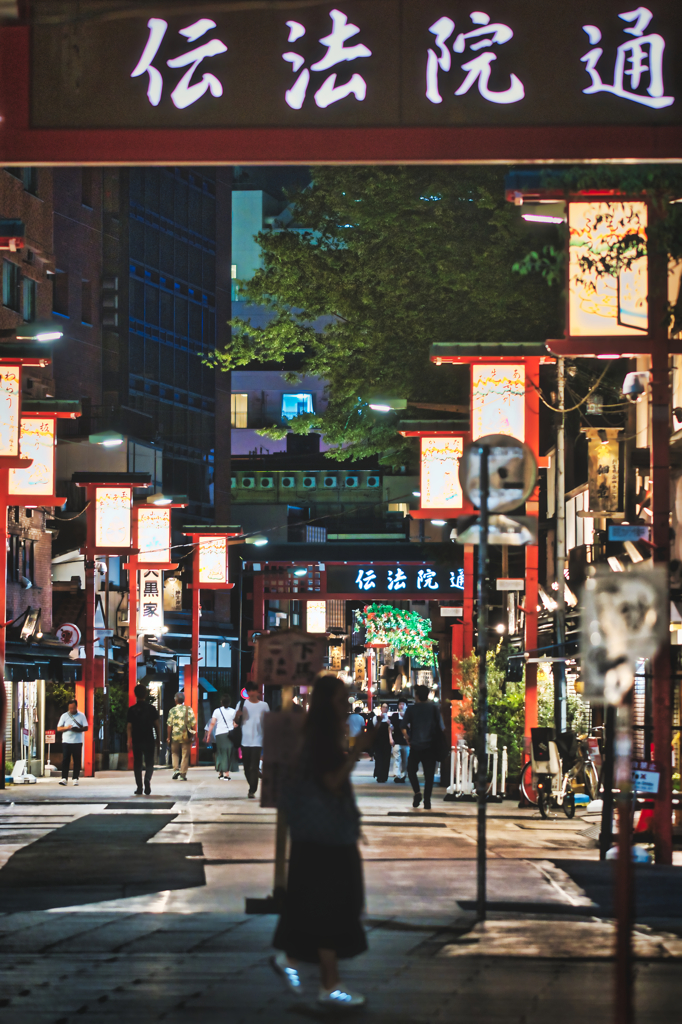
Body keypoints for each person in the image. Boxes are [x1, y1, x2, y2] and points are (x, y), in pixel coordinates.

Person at [271, 672, 373, 1008]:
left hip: (313, 834)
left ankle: (298, 962)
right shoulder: (322, 738)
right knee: (334, 904)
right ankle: (328, 982)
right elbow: (331, 781)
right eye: (342, 699)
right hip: (326, 837)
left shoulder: (312, 735)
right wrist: (356, 753)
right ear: (328, 701)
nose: (346, 705)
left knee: (315, 903)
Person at [402, 685, 445, 810]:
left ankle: (417, 792)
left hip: (415, 746)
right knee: (429, 775)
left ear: (416, 695)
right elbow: (442, 727)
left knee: (411, 771)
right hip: (430, 747)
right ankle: (427, 801)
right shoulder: (434, 709)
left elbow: (403, 726)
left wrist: (407, 738)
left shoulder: (411, 709)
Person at [235, 682, 269, 799]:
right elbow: (235, 722)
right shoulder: (242, 704)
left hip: (258, 739)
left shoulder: (264, 705)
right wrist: (238, 715)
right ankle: (252, 783)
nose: (251, 693)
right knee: (246, 767)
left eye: (253, 690)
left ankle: (252, 789)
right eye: (249, 691)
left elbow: (267, 722)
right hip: (245, 739)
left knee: (253, 766)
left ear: (257, 692)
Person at [126, 684, 160, 796]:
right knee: (150, 762)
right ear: (145, 694)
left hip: (137, 739)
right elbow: (157, 725)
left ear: (135, 694)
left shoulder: (131, 710)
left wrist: (128, 740)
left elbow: (129, 727)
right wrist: (158, 739)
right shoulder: (151, 709)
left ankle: (139, 787)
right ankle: (147, 780)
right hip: (149, 738)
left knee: (137, 763)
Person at [57, 698, 88, 786]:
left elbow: (86, 727)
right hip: (66, 741)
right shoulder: (64, 716)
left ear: (76, 707)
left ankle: (75, 778)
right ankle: (64, 778)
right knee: (65, 760)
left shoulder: (82, 716)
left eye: (73, 708)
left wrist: (78, 730)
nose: (72, 710)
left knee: (77, 760)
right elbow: (59, 728)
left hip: (77, 741)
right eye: (70, 708)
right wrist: (67, 727)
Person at [206, 695, 238, 780]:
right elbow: (235, 724)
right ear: (229, 702)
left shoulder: (217, 711)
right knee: (228, 753)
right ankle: (226, 774)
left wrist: (209, 734)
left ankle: (220, 772)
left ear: (221, 702)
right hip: (229, 734)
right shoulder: (233, 711)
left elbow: (212, 723)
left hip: (219, 734)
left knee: (220, 753)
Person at [166, 690, 196, 781]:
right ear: (183, 700)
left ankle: (175, 770)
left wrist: (168, 737)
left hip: (175, 736)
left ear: (175, 700)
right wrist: (194, 733)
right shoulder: (188, 709)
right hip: (185, 736)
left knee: (174, 753)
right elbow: (193, 723)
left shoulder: (172, 710)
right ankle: (183, 774)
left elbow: (169, 725)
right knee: (185, 755)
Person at [371, 702, 393, 783]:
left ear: (388, 709)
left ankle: (384, 776)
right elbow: (374, 729)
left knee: (386, 759)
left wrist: (389, 724)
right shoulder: (375, 718)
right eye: (383, 707)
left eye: (386, 707)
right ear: (380, 708)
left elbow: (392, 729)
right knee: (379, 758)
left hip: (387, 741)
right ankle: (379, 775)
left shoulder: (390, 718)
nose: (384, 708)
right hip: (378, 741)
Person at [390, 699, 409, 783]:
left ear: (406, 706)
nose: (401, 706)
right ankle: (397, 775)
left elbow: (411, 727)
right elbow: (390, 728)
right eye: (400, 704)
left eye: (403, 704)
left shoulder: (409, 716)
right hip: (396, 740)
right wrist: (391, 738)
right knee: (397, 758)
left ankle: (403, 774)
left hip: (406, 741)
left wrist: (405, 718)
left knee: (405, 759)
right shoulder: (394, 715)